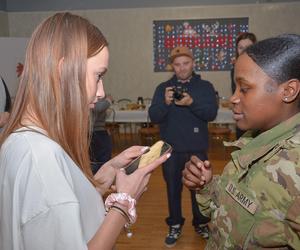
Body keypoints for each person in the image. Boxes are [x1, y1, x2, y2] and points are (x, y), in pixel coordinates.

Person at [0, 12, 170, 250]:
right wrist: (124, 203)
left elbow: (58, 207)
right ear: (62, 71)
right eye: (98, 76)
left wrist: (105, 174)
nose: (101, 92)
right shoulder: (40, 158)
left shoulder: (24, 141)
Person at [183, 34, 300, 249]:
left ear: (288, 91)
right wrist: (206, 185)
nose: (233, 98)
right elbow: (233, 208)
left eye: (244, 89)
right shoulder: (253, 141)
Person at [149, 46, 218, 247]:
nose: (181, 68)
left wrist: (191, 102)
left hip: (196, 148)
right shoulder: (163, 88)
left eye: (185, 63)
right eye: (177, 65)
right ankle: (175, 223)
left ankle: (201, 223)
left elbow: (210, 114)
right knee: (172, 189)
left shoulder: (204, 86)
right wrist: (165, 102)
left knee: (198, 188)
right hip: (170, 149)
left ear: (193, 63)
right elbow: (154, 116)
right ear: (172, 66)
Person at [231, 32, 257, 139]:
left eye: (248, 47)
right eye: (240, 47)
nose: (244, 51)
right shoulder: (234, 70)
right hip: (242, 115)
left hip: (258, 116)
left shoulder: (261, 69)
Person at [90, 95, 113, 174]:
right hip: (94, 132)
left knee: (98, 159)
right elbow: (98, 108)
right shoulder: (89, 96)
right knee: (100, 161)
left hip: (98, 130)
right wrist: (108, 100)